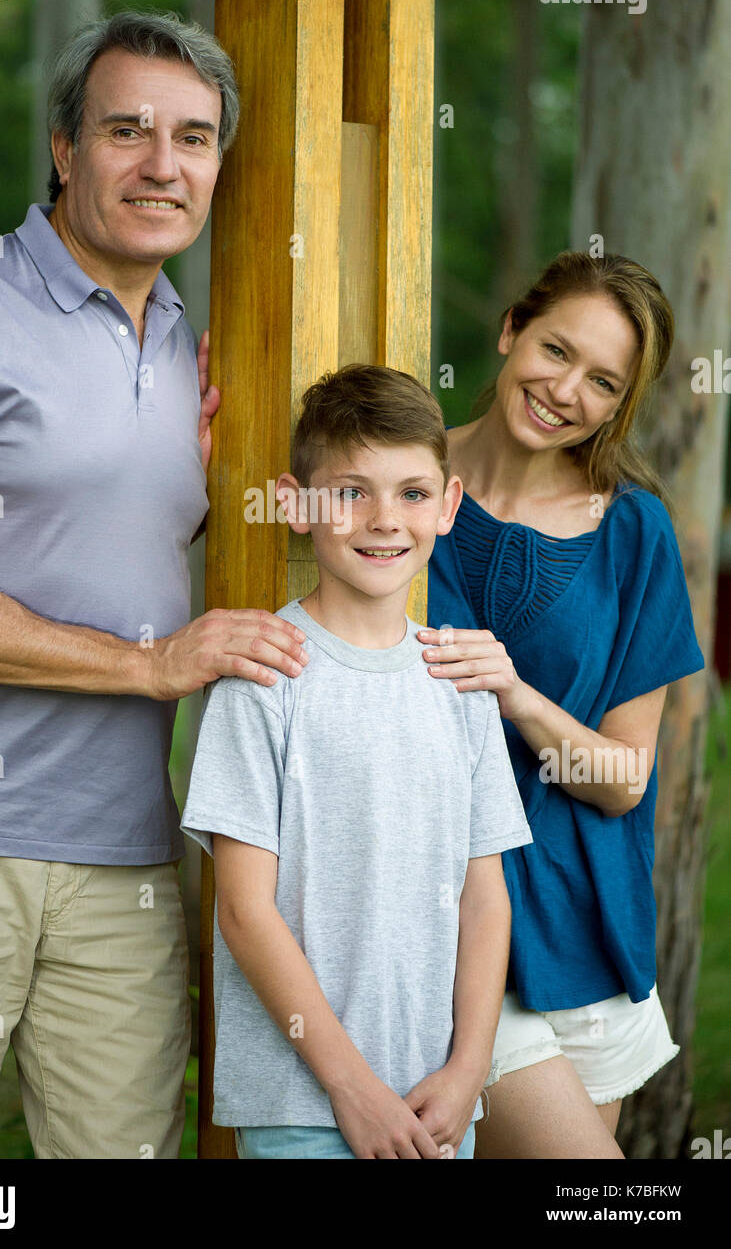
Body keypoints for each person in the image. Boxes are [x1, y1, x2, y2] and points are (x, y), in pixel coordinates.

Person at [0, 10, 309, 1160]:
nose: (164, 164)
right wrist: (149, 666)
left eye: (195, 138)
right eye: (128, 130)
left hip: (127, 862)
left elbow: (105, 539)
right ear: (65, 148)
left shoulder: (183, 345)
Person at [180, 363, 533, 1159]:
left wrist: (469, 1069)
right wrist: (351, 1089)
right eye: (350, 492)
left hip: (437, 1101)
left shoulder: (460, 679)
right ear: (298, 503)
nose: (383, 519)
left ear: (447, 505)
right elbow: (243, 909)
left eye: (412, 493)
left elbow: (485, 901)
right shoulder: (265, 674)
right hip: (302, 1100)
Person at [422, 251, 704, 1158]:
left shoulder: (632, 533)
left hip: (586, 934)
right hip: (453, 931)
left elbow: (621, 780)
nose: (563, 389)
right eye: (554, 349)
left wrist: (513, 693)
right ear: (510, 331)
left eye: (602, 382)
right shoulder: (401, 483)